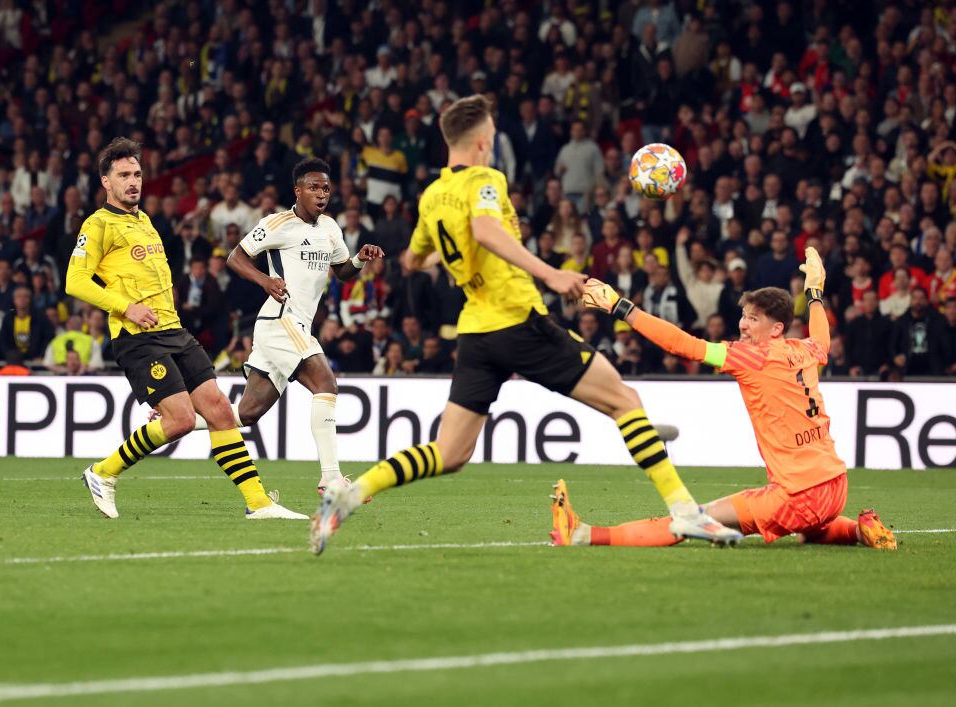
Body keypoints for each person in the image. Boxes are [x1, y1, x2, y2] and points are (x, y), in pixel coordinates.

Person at [311, 95, 741, 554]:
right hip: (517, 319)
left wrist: (447, 248)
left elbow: (413, 259)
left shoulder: (432, 196)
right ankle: (687, 512)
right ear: (480, 141)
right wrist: (551, 274)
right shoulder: (485, 179)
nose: (493, 146)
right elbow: (485, 231)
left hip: (475, 332)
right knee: (625, 400)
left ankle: (350, 493)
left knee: (450, 453)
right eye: (492, 139)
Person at [550, 248, 896, 551]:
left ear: (776, 329)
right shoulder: (806, 349)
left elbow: (682, 345)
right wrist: (815, 290)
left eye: (753, 319)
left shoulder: (753, 357)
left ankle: (582, 534)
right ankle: (858, 528)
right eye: (743, 316)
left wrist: (619, 305)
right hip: (836, 486)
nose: (743, 326)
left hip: (798, 494)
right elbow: (821, 332)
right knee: (810, 531)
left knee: (694, 519)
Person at [66, 137, 300, 521]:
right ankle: (103, 472)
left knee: (221, 411)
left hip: (173, 332)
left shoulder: (144, 220)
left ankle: (259, 502)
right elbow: (75, 281)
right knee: (181, 421)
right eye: (123, 175)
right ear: (106, 182)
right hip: (137, 338)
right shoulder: (98, 224)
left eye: (137, 174)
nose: (133, 182)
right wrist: (127, 307)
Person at [175, 157, 385, 497]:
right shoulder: (277, 223)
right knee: (326, 383)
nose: (322, 194)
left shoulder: (330, 228)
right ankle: (331, 479)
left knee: (247, 414)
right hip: (280, 320)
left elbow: (342, 270)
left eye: (326, 189)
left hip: (293, 325)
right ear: (298, 191)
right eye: (314, 187)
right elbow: (236, 257)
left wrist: (360, 258)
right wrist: (265, 281)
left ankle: (177, 418)